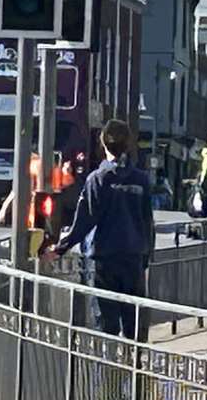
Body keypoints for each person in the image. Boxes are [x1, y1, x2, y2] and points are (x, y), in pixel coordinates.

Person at [42, 120, 154, 339]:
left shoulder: (98, 180)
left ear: (103, 144)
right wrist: (146, 258)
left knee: (106, 325)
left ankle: (107, 370)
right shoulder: (141, 180)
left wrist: (59, 248)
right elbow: (147, 222)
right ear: (129, 144)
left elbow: (84, 221)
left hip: (104, 260)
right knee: (133, 324)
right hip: (133, 260)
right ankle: (134, 370)